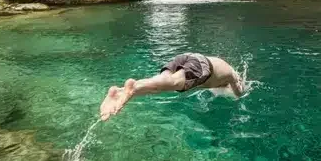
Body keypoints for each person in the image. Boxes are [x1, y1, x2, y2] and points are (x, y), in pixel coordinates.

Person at [99, 53, 244, 120]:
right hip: (203, 66)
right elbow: (238, 91)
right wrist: (240, 96)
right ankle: (133, 87)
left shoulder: (222, 68)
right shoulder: (231, 75)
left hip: (188, 57)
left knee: (161, 82)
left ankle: (120, 91)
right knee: (172, 83)